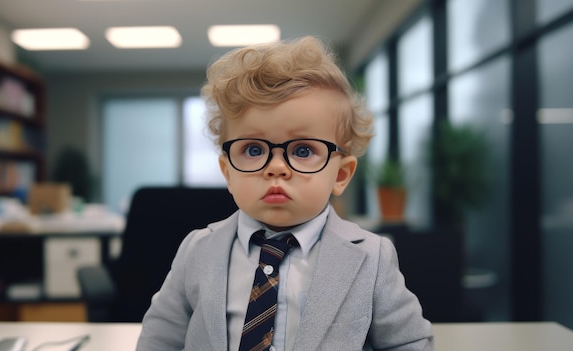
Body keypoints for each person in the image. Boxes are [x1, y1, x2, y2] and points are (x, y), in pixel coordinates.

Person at [136, 36, 434, 351]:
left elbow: (408, 343)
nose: (276, 168)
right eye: (253, 149)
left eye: (303, 149)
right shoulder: (198, 249)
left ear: (341, 174)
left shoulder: (372, 256)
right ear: (228, 172)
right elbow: (160, 338)